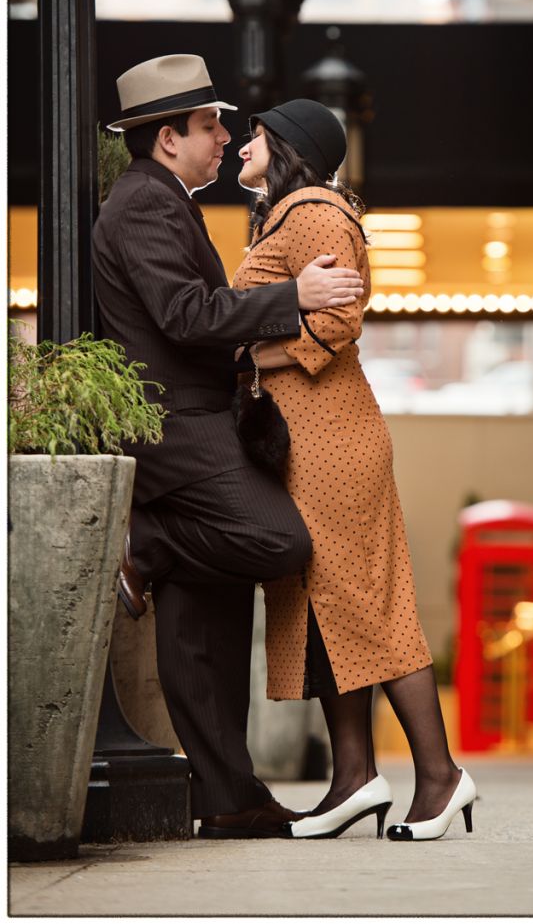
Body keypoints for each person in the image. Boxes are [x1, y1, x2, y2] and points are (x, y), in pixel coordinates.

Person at [91, 55, 365, 840]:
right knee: (280, 541)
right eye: (210, 124)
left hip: (197, 418)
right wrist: (295, 298)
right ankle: (153, 542)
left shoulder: (162, 198)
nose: (224, 135)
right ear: (170, 136)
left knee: (200, 631)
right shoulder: (145, 202)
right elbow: (184, 313)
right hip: (180, 426)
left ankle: (230, 795)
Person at [232, 99, 476, 842]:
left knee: (364, 603)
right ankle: (354, 776)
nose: (244, 143)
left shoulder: (310, 206)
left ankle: (438, 776)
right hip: (310, 436)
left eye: (257, 134)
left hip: (331, 436)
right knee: (326, 605)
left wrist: (243, 357)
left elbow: (338, 320)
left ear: (287, 146)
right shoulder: (287, 212)